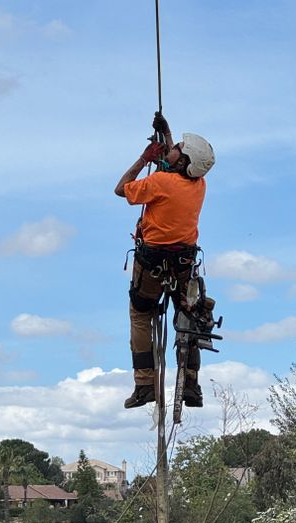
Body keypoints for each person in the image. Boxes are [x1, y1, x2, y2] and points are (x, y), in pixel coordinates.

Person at [115, 112, 215, 410]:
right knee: (190, 318)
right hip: (183, 265)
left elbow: (121, 189)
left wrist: (144, 158)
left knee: (140, 314)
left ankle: (145, 384)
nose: (175, 147)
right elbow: (178, 166)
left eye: (178, 146)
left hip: (152, 265)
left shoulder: (158, 182)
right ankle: (191, 386)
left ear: (182, 161)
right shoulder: (198, 186)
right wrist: (167, 135)